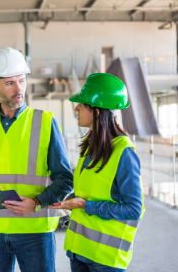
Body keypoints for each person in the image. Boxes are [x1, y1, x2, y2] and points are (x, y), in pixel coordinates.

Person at [0, 47, 73, 272]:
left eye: (21, 80)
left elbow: (65, 179)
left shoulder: (45, 122)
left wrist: (37, 203)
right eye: (10, 83)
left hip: (34, 231)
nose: (18, 89)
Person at [49, 73, 144, 271]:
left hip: (105, 259)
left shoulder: (123, 152)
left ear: (98, 111)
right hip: (79, 252)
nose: (76, 108)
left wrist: (86, 205)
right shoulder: (89, 147)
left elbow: (133, 209)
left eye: (82, 105)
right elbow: (91, 192)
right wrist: (68, 201)